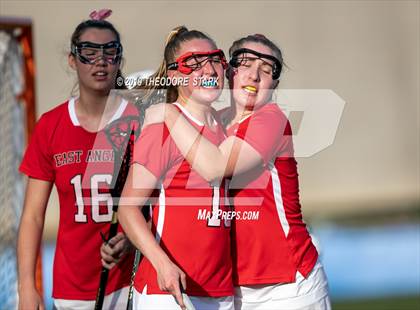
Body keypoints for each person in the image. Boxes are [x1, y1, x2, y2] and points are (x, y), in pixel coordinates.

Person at [144, 34, 331, 310]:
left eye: (266, 71)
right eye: (246, 64)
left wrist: (169, 114)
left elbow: (214, 168)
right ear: (229, 71)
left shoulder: (271, 119)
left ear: (274, 85)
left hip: (290, 288)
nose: (255, 75)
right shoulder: (212, 124)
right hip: (234, 292)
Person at [17, 10, 137, 310]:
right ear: (72, 60)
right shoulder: (51, 125)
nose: (100, 61)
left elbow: (161, 204)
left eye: (110, 52)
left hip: (133, 285)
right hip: (72, 290)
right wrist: (27, 288)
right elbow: (32, 216)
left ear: (119, 60)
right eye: (88, 52)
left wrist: (132, 239)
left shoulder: (140, 121)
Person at [117, 26, 234, 310]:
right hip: (170, 292)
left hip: (221, 292)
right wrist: (162, 264)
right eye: (193, 64)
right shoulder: (162, 128)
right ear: (174, 75)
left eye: (214, 59)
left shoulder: (228, 124)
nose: (208, 70)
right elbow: (127, 208)